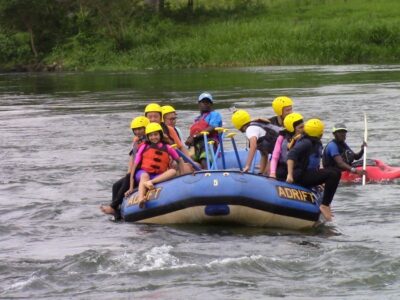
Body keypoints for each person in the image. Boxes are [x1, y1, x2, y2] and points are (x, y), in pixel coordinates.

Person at [286, 119, 341, 221]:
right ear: (320, 133)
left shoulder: (315, 142)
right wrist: (289, 175)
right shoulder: (306, 143)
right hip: (300, 176)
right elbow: (291, 155)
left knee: (336, 172)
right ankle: (324, 205)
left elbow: (313, 162)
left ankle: (326, 204)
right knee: (332, 174)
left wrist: (319, 179)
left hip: (307, 174)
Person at [125, 123, 184, 207]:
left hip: (158, 176)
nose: (154, 137)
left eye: (156, 134)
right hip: (143, 173)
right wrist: (131, 187)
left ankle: (150, 182)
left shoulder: (168, 147)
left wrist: (182, 175)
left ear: (160, 135)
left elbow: (179, 160)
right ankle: (141, 198)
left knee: (172, 171)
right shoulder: (144, 147)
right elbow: (134, 167)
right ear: (148, 137)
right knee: (145, 175)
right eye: (151, 135)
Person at [100, 116, 149, 215]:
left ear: (146, 128)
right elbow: (132, 158)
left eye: (140, 129)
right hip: (136, 171)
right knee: (115, 185)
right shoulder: (137, 142)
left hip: (144, 172)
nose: (138, 132)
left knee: (125, 182)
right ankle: (116, 209)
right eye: (135, 130)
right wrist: (129, 173)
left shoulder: (149, 141)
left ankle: (113, 206)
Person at [231, 109, 281, 175]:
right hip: (280, 149)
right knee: (264, 173)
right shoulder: (257, 124)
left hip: (281, 151)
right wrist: (261, 173)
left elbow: (253, 146)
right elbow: (264, 154)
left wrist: (247, 166)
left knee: (268, 173)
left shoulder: (250, 130)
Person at [185, 92, 223, 169]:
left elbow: (212, 128)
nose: (206, 104)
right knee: (188, 160)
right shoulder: (197, 119)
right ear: (199, 104)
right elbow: (195, 132)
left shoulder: (215, 115)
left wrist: (194, 137)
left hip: (210, 142)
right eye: (203, 102)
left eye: (208, 102)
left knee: (204, 159)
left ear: (211, 104)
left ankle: (207, 173)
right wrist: (190, 138)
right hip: (198, 144)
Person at [270, 112, 304, 181]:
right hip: (284, 167)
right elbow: (275, 157)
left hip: (298, 168)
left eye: (304, 126)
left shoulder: (305, 138)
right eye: (300, 127)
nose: (303, 129)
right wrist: (272, 173)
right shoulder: (282, 137)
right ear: (292, 129)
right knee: (280, 173)